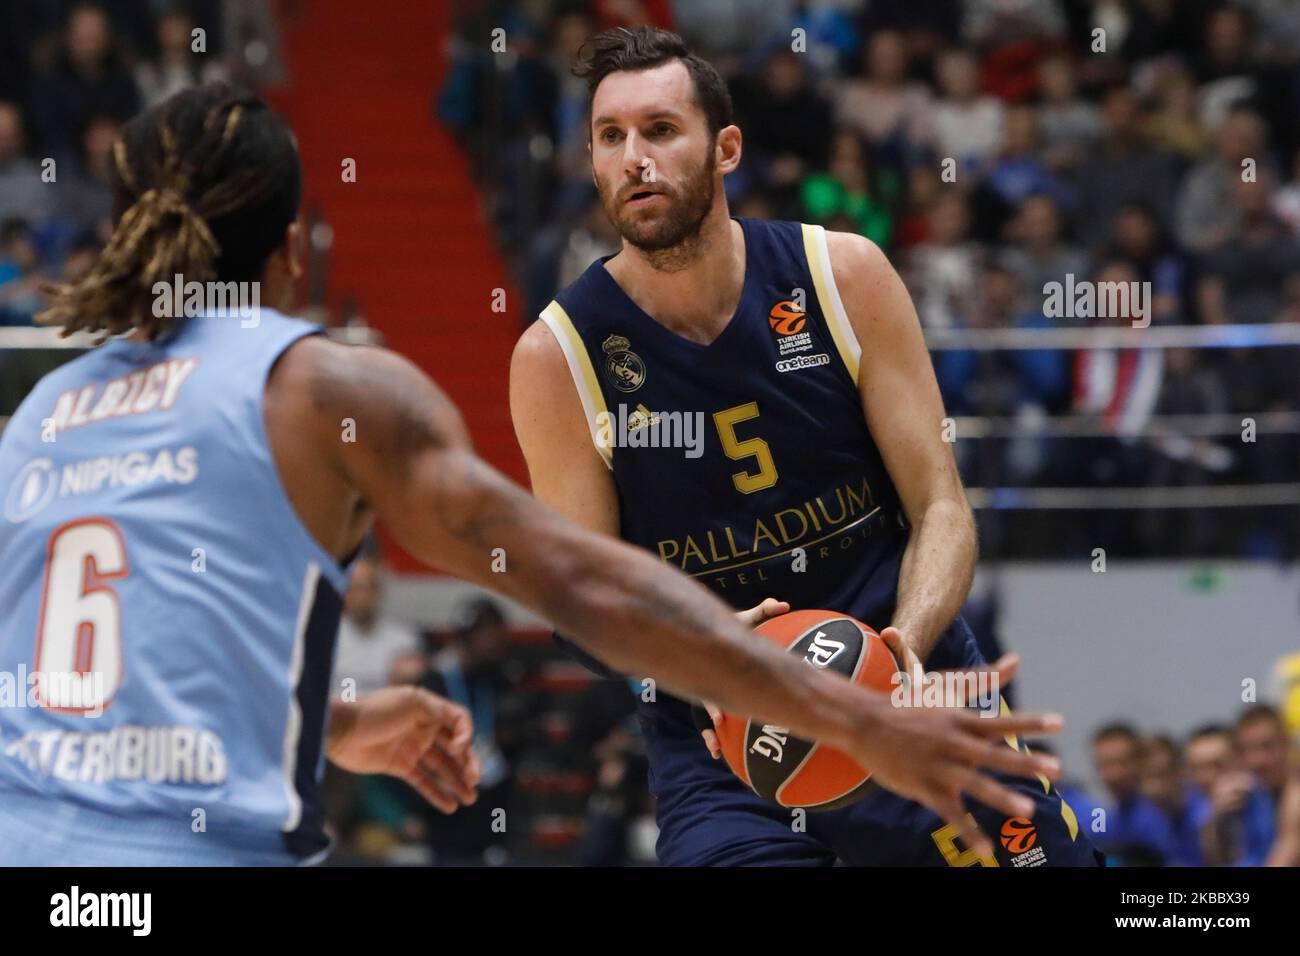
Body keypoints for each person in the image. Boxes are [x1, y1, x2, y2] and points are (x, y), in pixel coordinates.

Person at [0, 83, 1060, 866]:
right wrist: (860, 715)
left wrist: (334, 723)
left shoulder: (39, 416)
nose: (633, 158)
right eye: (611, 135)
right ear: (292, 248)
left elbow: (113, 689)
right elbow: (583, 584)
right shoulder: (321, 386)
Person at [511, 27, 1098, 867]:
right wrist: (700, 651)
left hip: (912, 682)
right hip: (728, 740)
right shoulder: (555, 358)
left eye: (661, 130)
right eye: (611, 137)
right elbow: (580, 606)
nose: (634, 158)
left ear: (726, 148)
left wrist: (904, 646)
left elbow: (941, 507)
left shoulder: (842, 275)